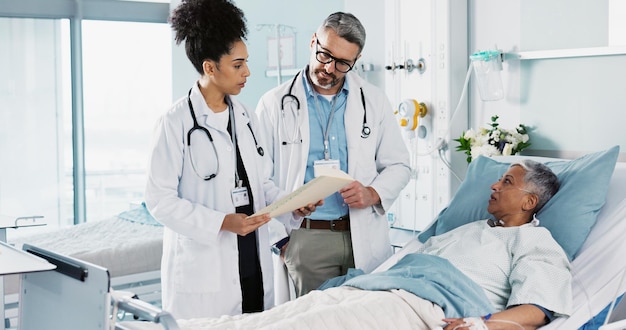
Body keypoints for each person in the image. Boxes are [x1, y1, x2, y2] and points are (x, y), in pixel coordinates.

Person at [185, 160, 572, 330]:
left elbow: (537, 310)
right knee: (274, 320)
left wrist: (486, 325)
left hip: (418, 308)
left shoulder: (535, 241)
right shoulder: (468, 229)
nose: (494, 185)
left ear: (529, 202)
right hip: (375, 288)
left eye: (506, 182)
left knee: (305, 326)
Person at [144, 0, 316, 319]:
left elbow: (259, 185)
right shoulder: (175, 123)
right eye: (238, 65)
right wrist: (222, 222)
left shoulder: (247, 118)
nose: (247, 72)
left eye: (246, 63)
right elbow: (159, 201)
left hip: (250, 260)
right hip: (207, 268)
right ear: (210, 68)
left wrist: (292, 203)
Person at [256, 12, 411, 298]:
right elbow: (258, 178)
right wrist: (285, 238)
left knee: (365, 318)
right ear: (313, 41)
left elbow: (399, 164)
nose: (329, 68)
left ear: (356, 60)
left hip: (363, 235)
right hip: (306, 238)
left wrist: (373, 192)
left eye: (342, 63)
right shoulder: (274, 103)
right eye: (324, 55)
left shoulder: (373, 100)